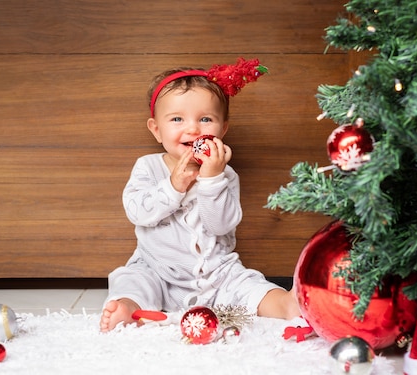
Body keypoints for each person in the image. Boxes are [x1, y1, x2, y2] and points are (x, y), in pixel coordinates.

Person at [100, 58, 300, 332]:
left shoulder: (225, 175)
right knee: (132, 278)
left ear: (222, 129)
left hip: (217, 274)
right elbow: (138, 212)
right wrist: (173, 186)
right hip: (158, 271)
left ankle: (287, 304)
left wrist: (211, 178)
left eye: (205, 119)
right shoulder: (148, 166)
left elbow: (221, 225)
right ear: (156, 129)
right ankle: (129, 307)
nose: (193, 129)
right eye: (177, 119)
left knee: (248, 284)